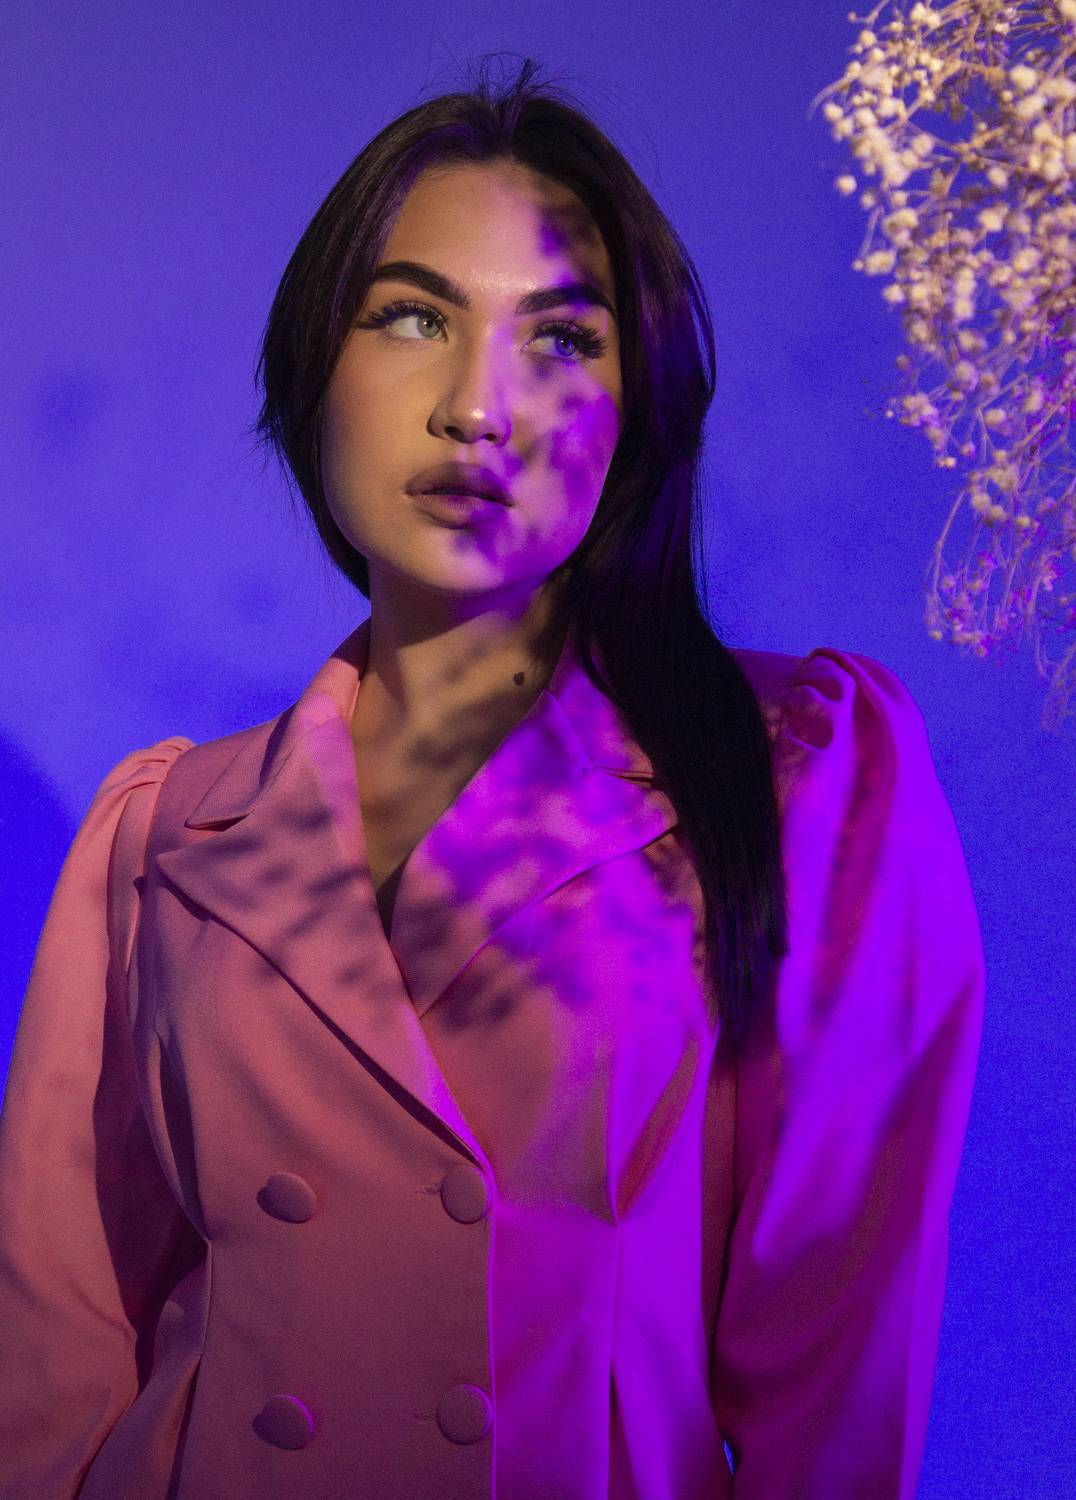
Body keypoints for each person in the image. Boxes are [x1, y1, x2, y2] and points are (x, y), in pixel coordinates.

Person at [0, 55, 985, 1500]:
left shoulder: (792, 776)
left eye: (563, 340)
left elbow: (831, 1374)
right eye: (412, 316)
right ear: (313, 367)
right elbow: (57, 1348)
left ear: (640, 410)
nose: (478, 406)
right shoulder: (165, 827)